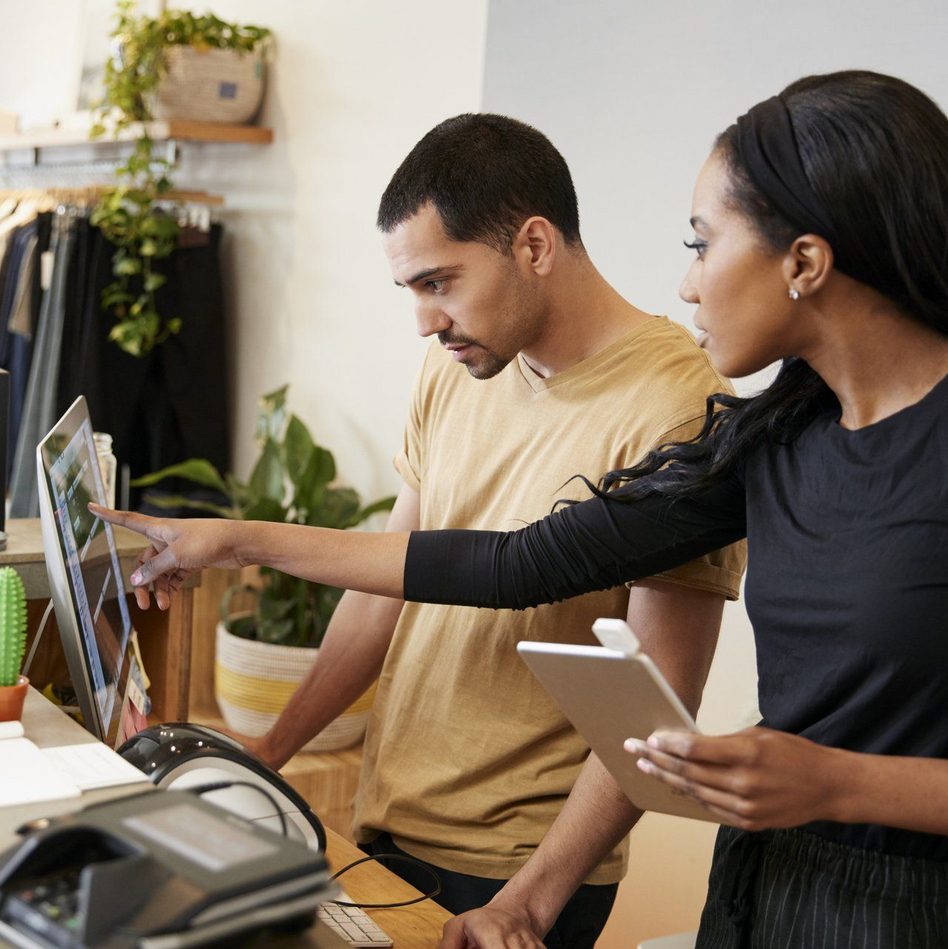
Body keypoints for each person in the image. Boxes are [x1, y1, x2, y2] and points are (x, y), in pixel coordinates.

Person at [91, 68, 948, 947]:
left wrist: (835, 783)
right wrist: (238, 549)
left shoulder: (694, 403)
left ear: (804, 261)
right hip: (763, 881)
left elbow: (667, 677)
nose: (689, 284)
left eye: (701, 244)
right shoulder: (777, 437)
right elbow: (515, 562)